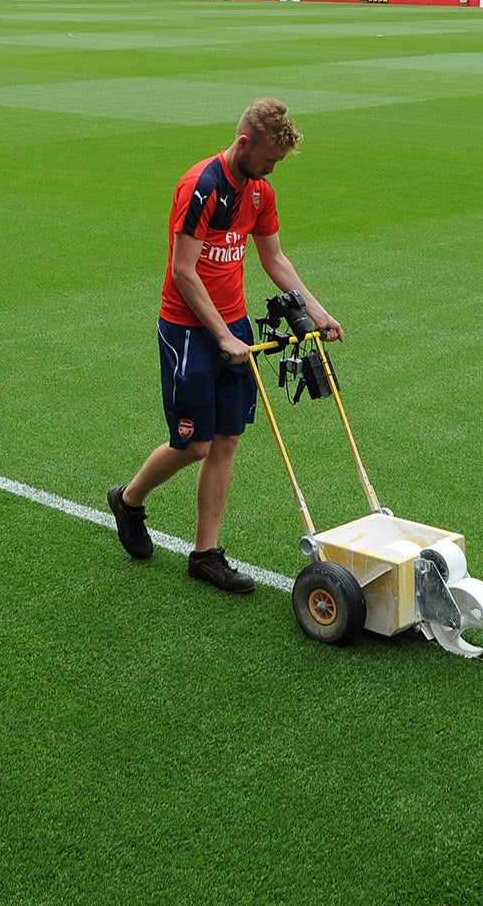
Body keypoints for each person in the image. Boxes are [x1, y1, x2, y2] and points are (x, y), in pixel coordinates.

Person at [109, 98, 342, 594]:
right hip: (190, 331)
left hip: (233, 326)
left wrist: (317, 311)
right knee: (194, 443)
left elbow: (274, 259)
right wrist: (220, 335)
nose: (270, 171)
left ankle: (205, 554)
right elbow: (183, 271)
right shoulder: (202, 186)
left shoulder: (260, 193)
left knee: (227, 440)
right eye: (267, 160)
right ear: (243, 144)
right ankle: (129, 501)